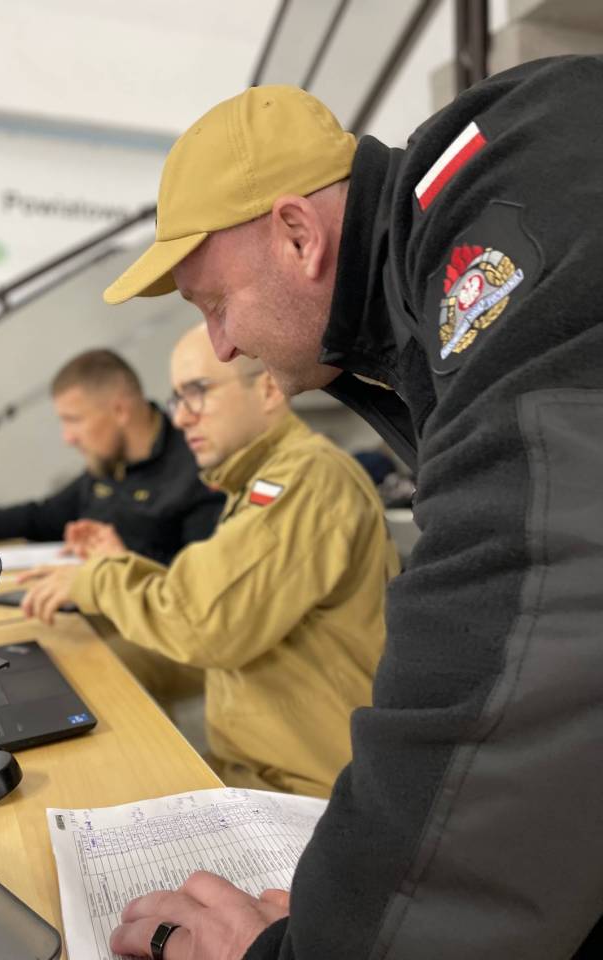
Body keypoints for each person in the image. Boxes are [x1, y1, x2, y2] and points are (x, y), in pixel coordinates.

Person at [92, 57, 603, 960]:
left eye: (215, 303)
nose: (222, 344)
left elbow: (528, 607)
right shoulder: (424, 288)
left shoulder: (505, 203)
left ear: (297, 234)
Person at [21, 323, 397, 797]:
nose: (181, 418)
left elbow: (201, 622)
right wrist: (115, 566)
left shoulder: (305, 479)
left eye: (197, 392)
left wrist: (96, 580)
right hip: (255, 768)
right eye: (177, 399)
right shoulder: (261, 478)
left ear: (267, 389)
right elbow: (213, 595)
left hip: (300, 789)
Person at [0, 349, 223, 566]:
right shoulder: (109, 463)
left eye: (74, 420)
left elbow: (194, 585)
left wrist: (117, 562)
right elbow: (40, 517)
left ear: (119, 410)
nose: (67, 437)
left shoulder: (199, 471)